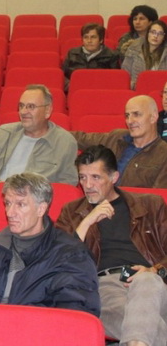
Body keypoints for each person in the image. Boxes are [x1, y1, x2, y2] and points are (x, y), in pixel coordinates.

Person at [0, 172, 100, 346]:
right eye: (8, 203)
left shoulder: (70, 254)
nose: (10, 212)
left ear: (41, 209)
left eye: (20, 204)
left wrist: (17, 335)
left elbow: (74, 316)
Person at [56, 145, 167, 346]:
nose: (87, 185)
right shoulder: (72, 212)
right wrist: (87, 221)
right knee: (117, 314)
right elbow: (58, 260)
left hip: (153, 284)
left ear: (114, 177)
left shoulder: (150, 204)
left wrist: (155, 270)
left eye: (95, 177)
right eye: (82, 177)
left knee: (146, 281)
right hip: (105, 285)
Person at [0, 84, 78, 205]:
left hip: (34, 209)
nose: (23, 112)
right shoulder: (4, 132)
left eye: (31, 107)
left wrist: (30, 200)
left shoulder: (65, 142)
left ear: (47, 110)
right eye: (21, 106)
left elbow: (67, 185)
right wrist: (5, 192)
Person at [71, 94, 167, 188]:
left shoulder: (163, 154)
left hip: (130, 198)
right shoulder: (117, 137)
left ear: (153, 117)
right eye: (127, 115)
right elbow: (82, 139)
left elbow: (158, 196)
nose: (130, 121)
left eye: (136, 114)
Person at [62, 23, 119, 91]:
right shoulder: (72, 53)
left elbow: (115, 79)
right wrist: (72, 85)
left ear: (101, 40)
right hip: (75, 90)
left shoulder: (112, 55)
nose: (89, 41)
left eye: (93, 37)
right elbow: (62, 75)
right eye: (86, 37)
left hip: (101, 91)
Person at [122, 20, 167, 89]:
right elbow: (125, 74)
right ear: (147, 33)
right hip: (136, 90)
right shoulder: (134, 49)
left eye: (160, 33)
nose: (156, 36)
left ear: (164, 37)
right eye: (153, 32)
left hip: (160, 91)